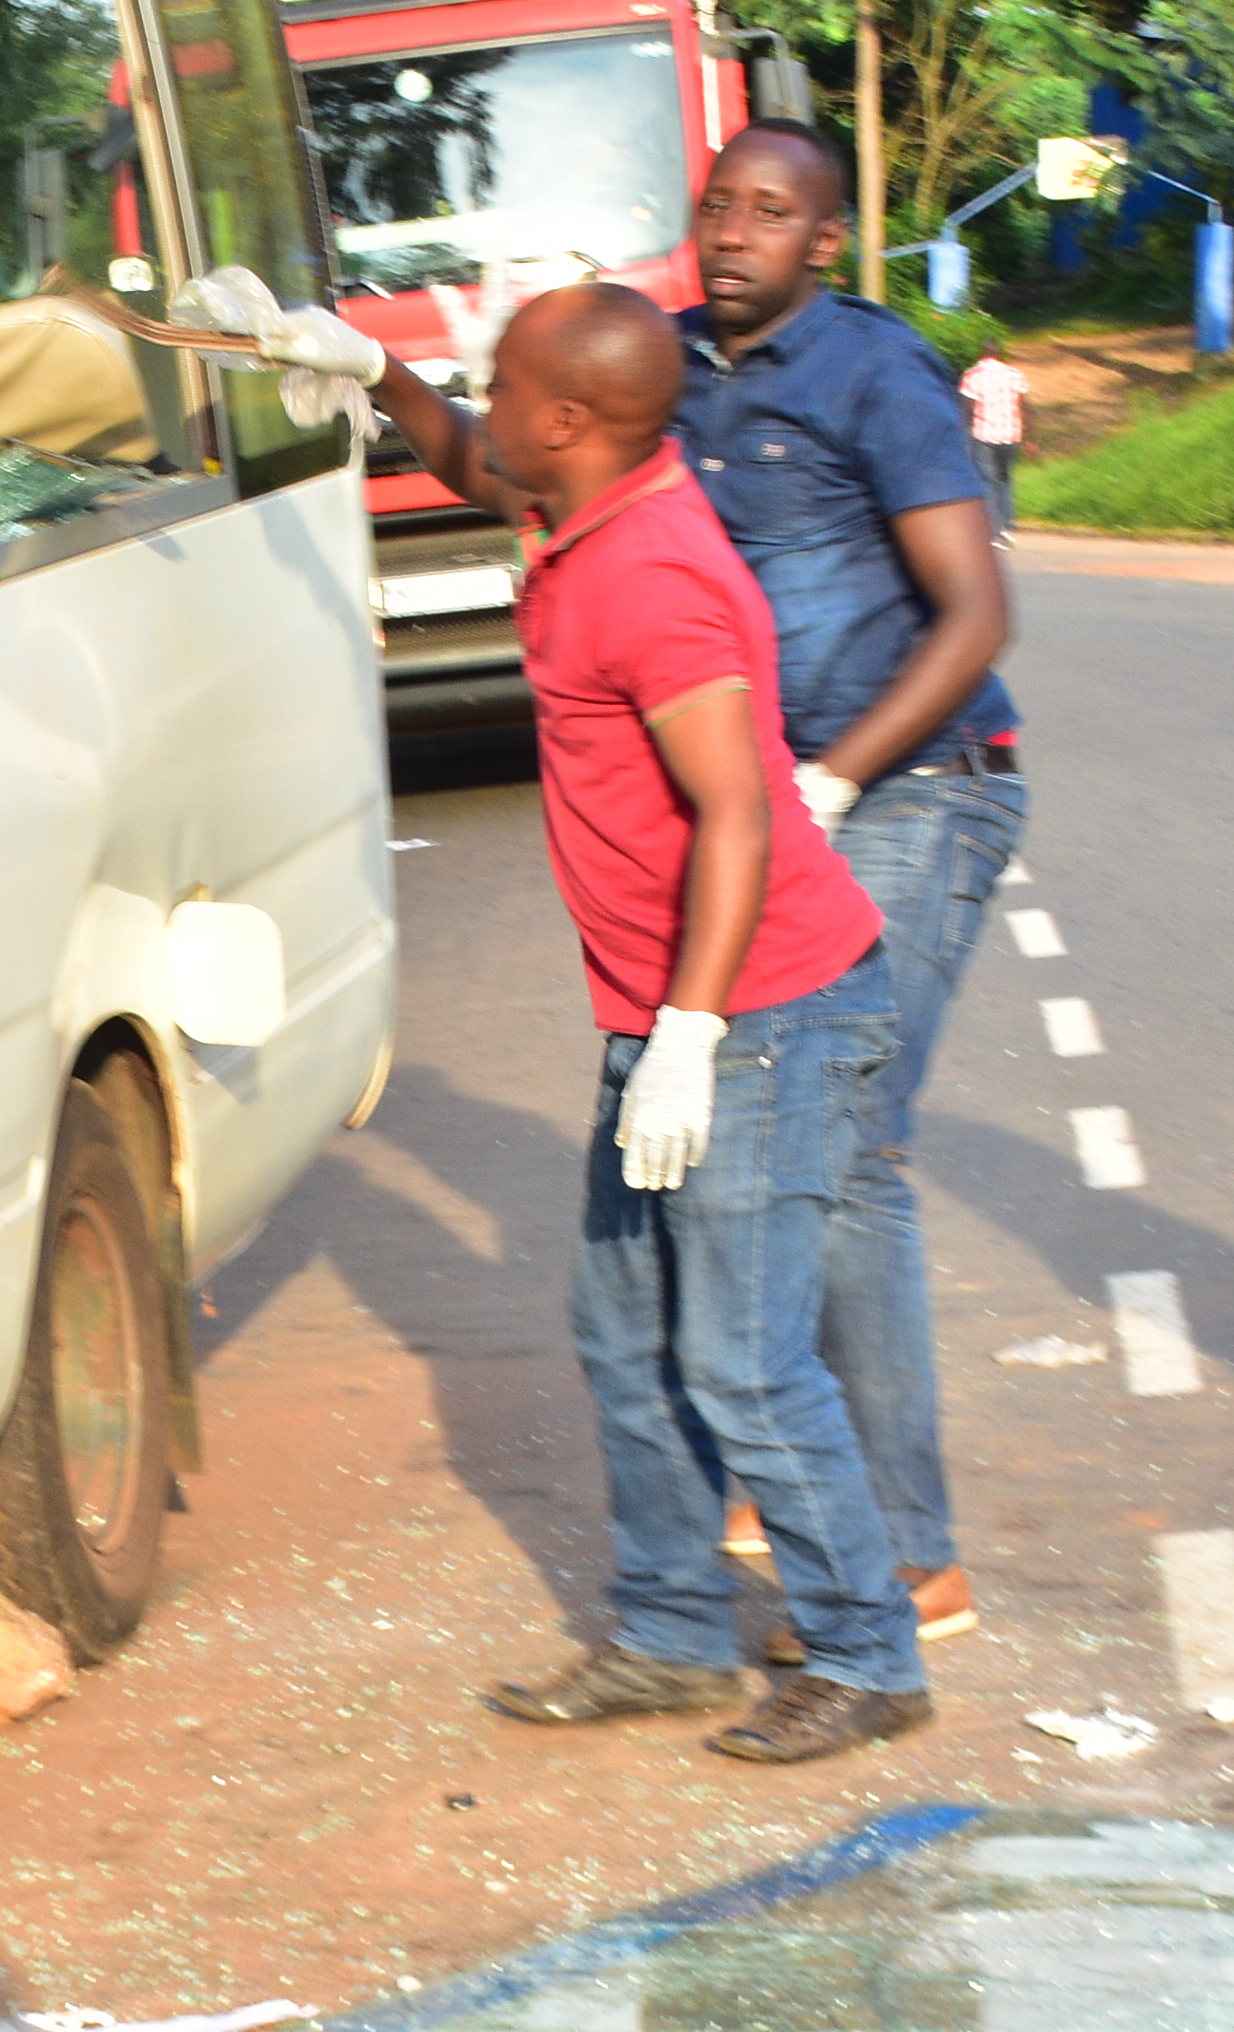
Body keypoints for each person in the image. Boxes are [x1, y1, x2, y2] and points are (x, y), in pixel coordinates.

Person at [234, 275, 933, 1763]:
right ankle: (673, 1638)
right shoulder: (591, 496)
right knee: (624, 1337)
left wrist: (689, 1036)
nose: (478, 400)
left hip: (762, 1012)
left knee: (743, 1358)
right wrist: (368, 368)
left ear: (569, 420)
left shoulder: (655, 575)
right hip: (673, 1012)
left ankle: (873, 1656)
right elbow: (479, 460)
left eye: (498, 382)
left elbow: (736, 816)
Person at [669, 121, 1021, 1647]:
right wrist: (373, 379)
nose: (732, 231)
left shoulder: (878, 374)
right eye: (716, 204)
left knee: (851, 1140)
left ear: (825, 240)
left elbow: (974, 612)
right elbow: (519, 451)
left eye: (771, 212)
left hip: (913, 794)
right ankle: (793, 1467)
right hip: (762, 814)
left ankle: (902, 1552)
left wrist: (834, 779)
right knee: (757, 1126)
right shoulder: (664, 364)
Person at [958, 339, 1032, 539]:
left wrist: (963, 438)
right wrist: (1030, 438)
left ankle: (995, 527)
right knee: (1004, 478)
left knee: (987, 480)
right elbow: (1025, 407)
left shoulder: (973, 376)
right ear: (999, 354)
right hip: (1011, 435)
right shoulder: (1014, 375)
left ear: (982, 354)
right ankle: (1007, 522)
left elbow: (966, 410)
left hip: (984, 435)